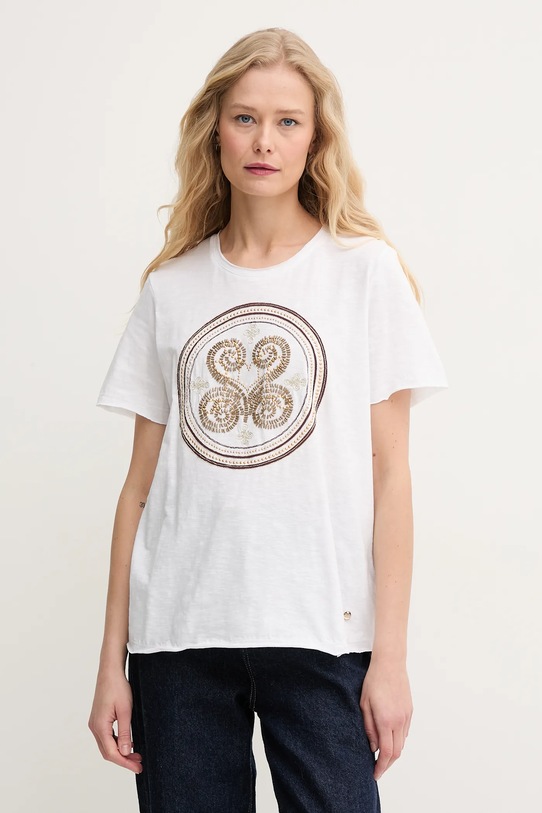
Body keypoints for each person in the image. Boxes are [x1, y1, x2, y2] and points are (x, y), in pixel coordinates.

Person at [88, 27, 448, 813]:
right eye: (245, 118)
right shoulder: (172, 288)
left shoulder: (364, 273)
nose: (264, 141)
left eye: (288, 121)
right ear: (214, 128)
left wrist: (390, 658)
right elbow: (137, 490)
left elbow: (391, 474)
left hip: (322, 629)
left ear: (316, 138)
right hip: (179, 636)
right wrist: (112, 661)